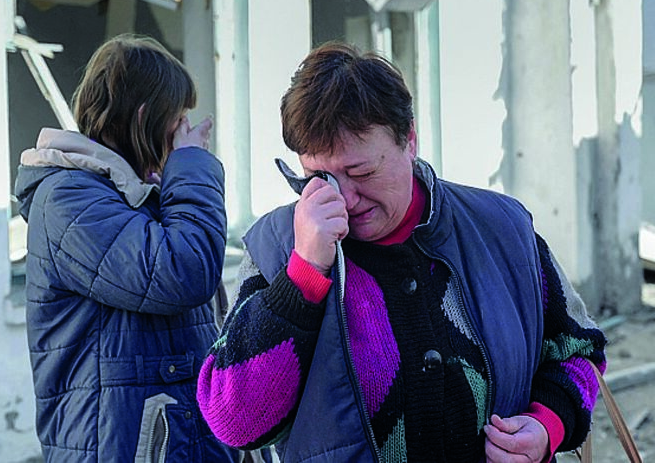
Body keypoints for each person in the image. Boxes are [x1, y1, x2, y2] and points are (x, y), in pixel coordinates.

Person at [197, 42, 607, 463]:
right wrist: (303, 275)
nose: (346, 199)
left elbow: (579, 350)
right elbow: (236, 422)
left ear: (409, 139)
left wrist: (546, 426)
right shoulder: (278, 247)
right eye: (319, 177)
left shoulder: (501, 227)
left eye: (362, 172)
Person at [14, 34, 237, 463]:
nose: (184, 132)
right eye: (178, 118)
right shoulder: (69, 199)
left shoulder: (134, 197)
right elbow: (184, 271)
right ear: (144, 117)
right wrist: (190, 165)